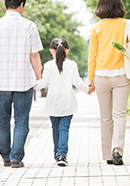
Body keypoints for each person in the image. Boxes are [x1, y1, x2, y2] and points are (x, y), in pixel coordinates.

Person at [0, 0, 43, 168]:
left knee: (2, 120)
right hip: (24, 82)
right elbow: (35, 56)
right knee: (22, 120)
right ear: (22, 5)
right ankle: (17, 158)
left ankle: (6, 157)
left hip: (0, 82)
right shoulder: (29, 26)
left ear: (5, 5)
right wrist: (38, 78)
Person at [88, 0, 130, 165]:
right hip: (121, 75)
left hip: (101, 76)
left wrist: (90, 79)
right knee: (119, 115)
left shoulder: (96, 28)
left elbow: (92, 55)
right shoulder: (128, 24)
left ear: (100, 6)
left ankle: (107, 156)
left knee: (105, 117)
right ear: (119, 5)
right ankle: (117, 151)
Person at [34, 38, 94, 167]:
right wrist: (87, 90)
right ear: (67, 51)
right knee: (64, 129)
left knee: (55, 129)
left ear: (51, 51)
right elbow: (77, 82)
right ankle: (61, 155)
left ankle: (58, 155)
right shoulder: (72, 64)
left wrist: (31, 85)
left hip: (53, 102)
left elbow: (43, 83)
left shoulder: (49, 65)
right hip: (67, 102)